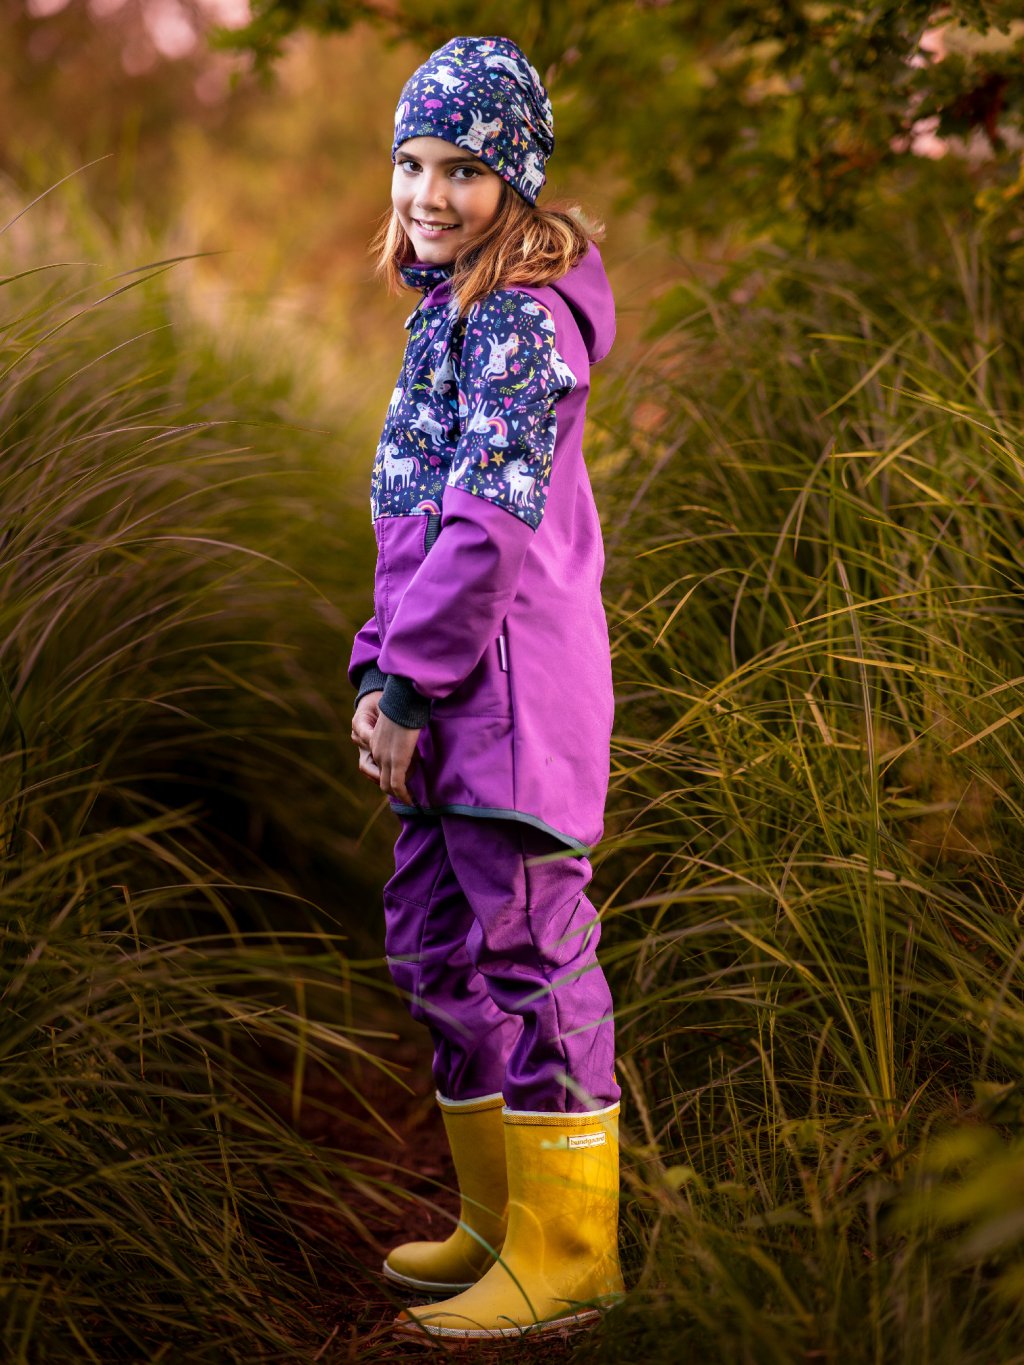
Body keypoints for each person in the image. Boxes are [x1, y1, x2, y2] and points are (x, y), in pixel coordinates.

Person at [348, 33, 624, 1342]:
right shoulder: (446, 313)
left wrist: (410, 691)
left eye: (462, 168)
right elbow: (409, 526)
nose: (428, 192)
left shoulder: (518, 321)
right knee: (435, 944)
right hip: (441, 688)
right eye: (412, 162)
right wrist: (376, 667)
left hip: (505, 699)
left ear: (515, 182)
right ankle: (498, 1214)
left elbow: (485, 535)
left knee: (529, 950)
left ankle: (569, 1252)